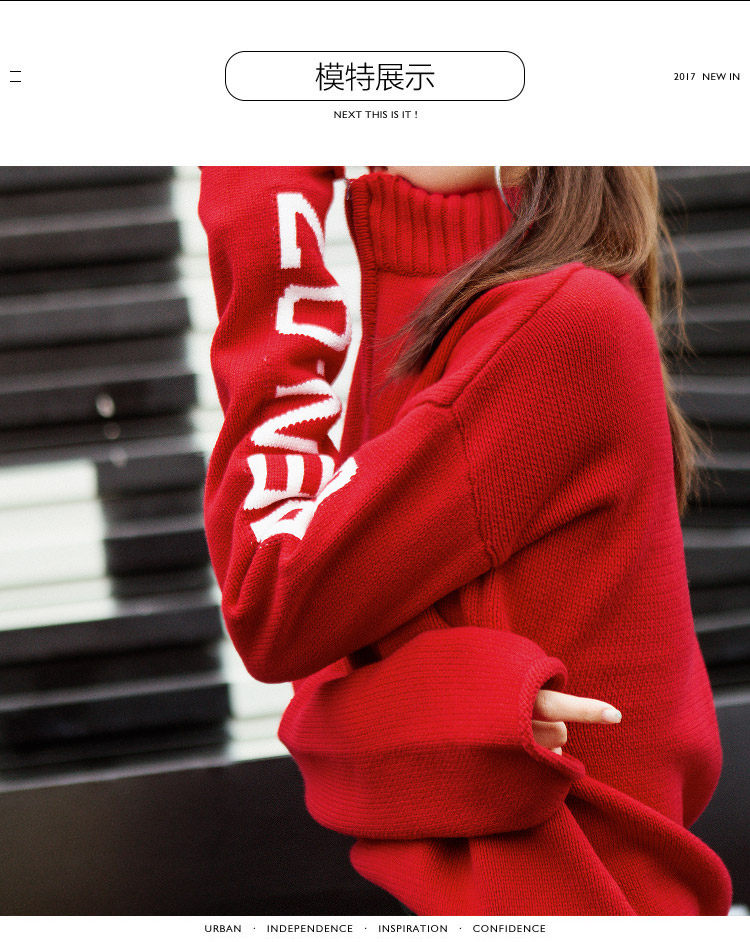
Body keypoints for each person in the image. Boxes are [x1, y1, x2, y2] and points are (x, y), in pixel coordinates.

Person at [197, 165, 732, 915]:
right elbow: (312, 702)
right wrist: (458, 715)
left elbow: (271, 596)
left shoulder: (564, 325)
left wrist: (262, 200)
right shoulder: (453, 322)